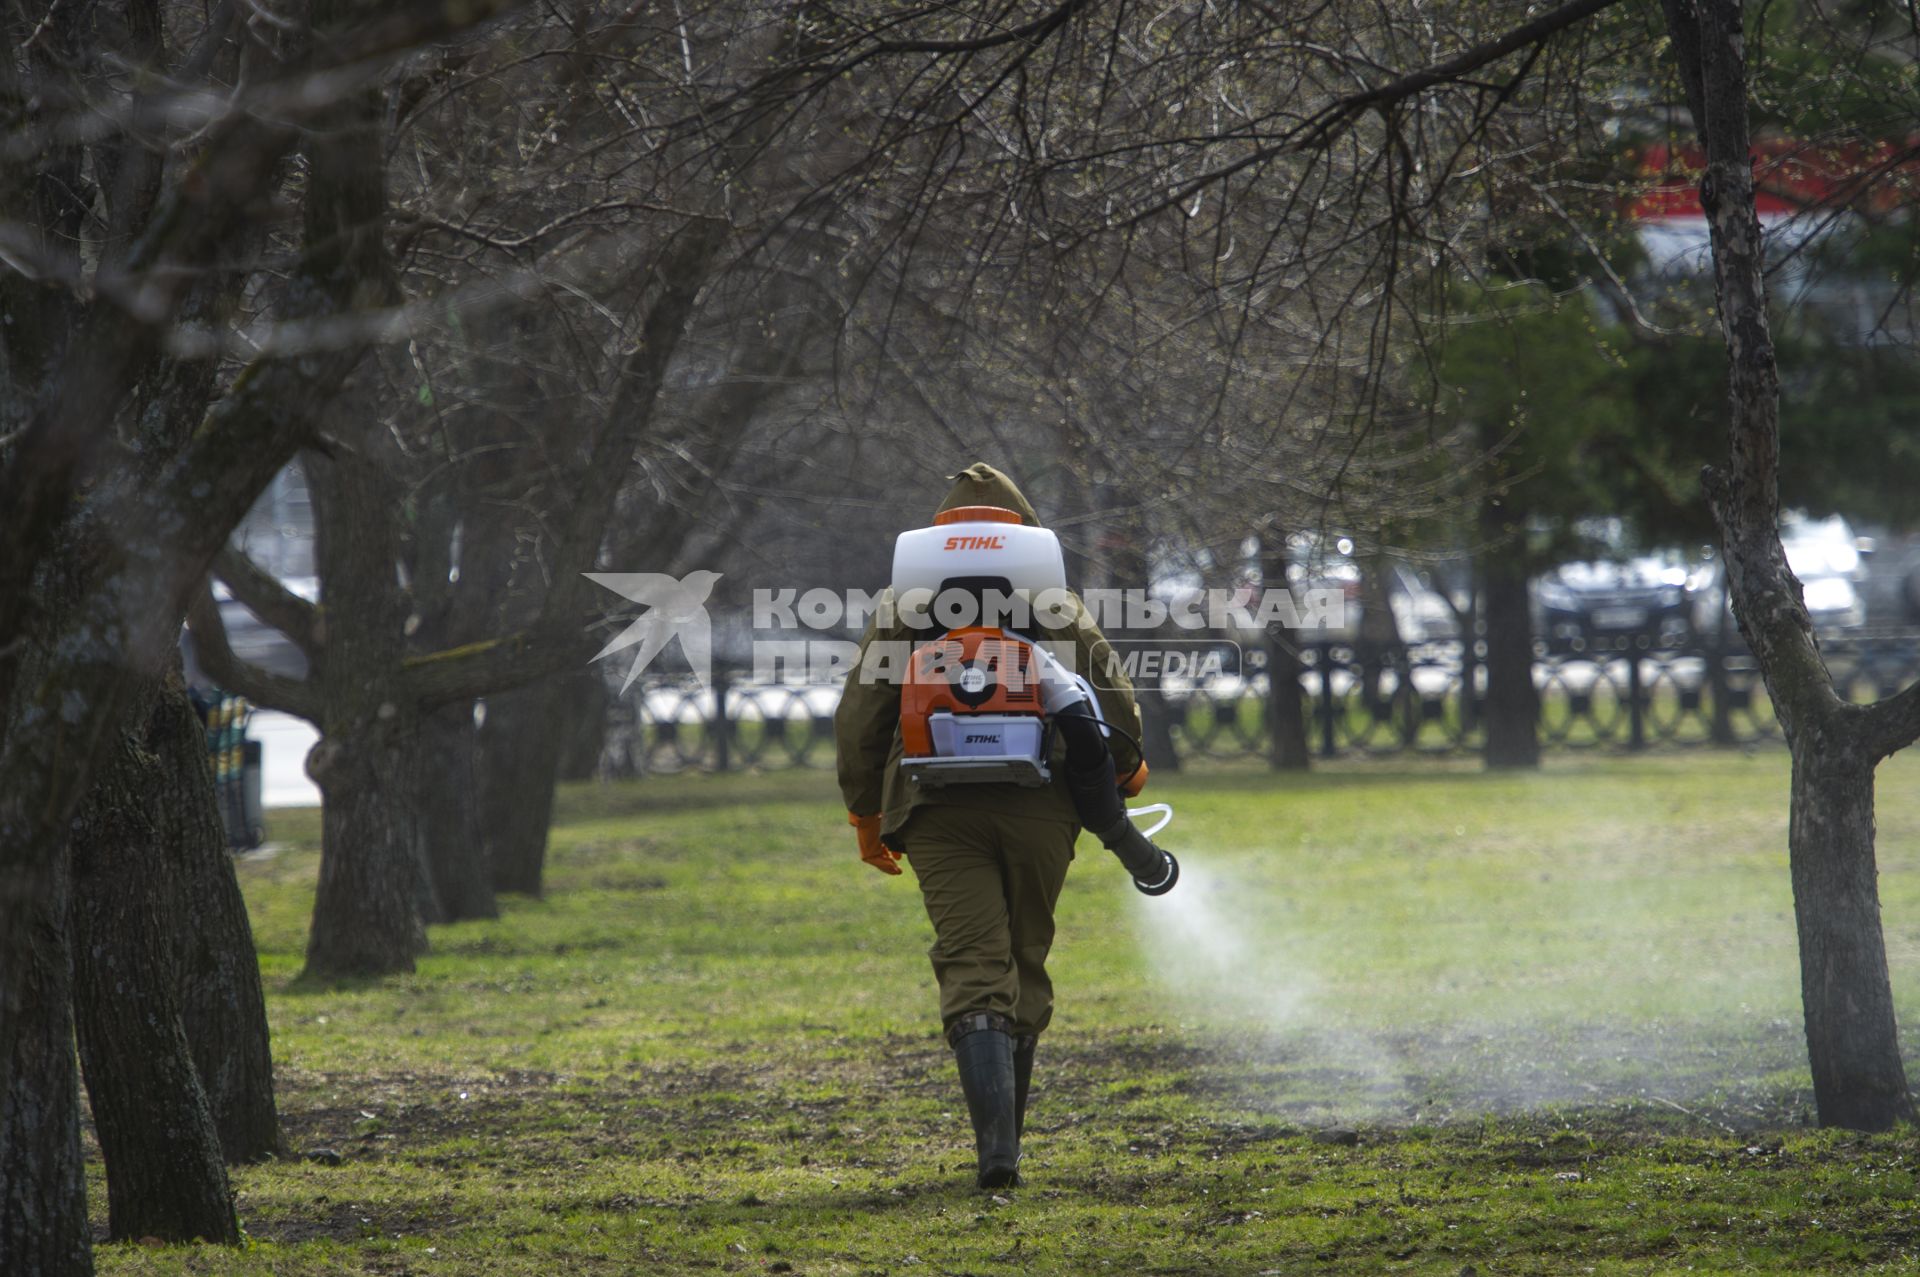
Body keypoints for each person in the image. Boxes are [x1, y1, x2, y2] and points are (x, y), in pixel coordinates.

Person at [834, 462, 1164, 1189]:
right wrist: (1124, 773)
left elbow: (862, 710)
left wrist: (865, 812)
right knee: (1023, 956)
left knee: (973, 958)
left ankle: (996, 1152)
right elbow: (1107, 686)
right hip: (1043, 802)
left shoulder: (906, 598)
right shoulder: (1049, 593)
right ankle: (1005, 1144)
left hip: (933, 805)